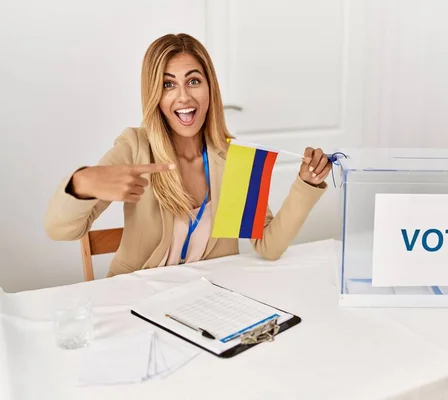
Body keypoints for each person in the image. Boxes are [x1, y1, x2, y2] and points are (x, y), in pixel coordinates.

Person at [44, 33, 331, 277]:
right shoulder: (135, 148)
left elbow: (268, 246)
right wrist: (81, 183)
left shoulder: (233, 159)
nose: (183, 97)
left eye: (193, 81)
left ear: (210, 88)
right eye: (168, 84)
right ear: (154, 95)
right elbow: (61, 230)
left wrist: (306, 184)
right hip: (136, 302)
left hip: (208, 303)